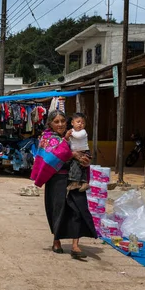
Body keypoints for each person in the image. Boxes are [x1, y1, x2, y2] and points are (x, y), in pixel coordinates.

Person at [31, 110, 96, 259]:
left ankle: (75, 245)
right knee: (58, 210)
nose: (60, 124)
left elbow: (84, 150)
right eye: (56, 121)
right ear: (50, 124)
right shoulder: (47, 139)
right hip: (57, 179)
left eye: (62, 121)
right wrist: (71, 154)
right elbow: (50, 158)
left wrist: (86, 161)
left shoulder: (75, 135)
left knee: (78, 208)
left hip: (76, 177)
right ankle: (56, 240)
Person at [65, 113, 91, 192]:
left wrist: (71, 133)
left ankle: (76, 182)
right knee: (79, 167)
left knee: (80, 166)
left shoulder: (83, 132)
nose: (80, 124)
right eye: (78, 122)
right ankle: (83, 182)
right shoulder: (71, 131)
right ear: (72, 123)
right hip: (76, 152)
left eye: (83, 123)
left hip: (84, 152)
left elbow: (78, 136)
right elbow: (68, 140)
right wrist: (67, 136)